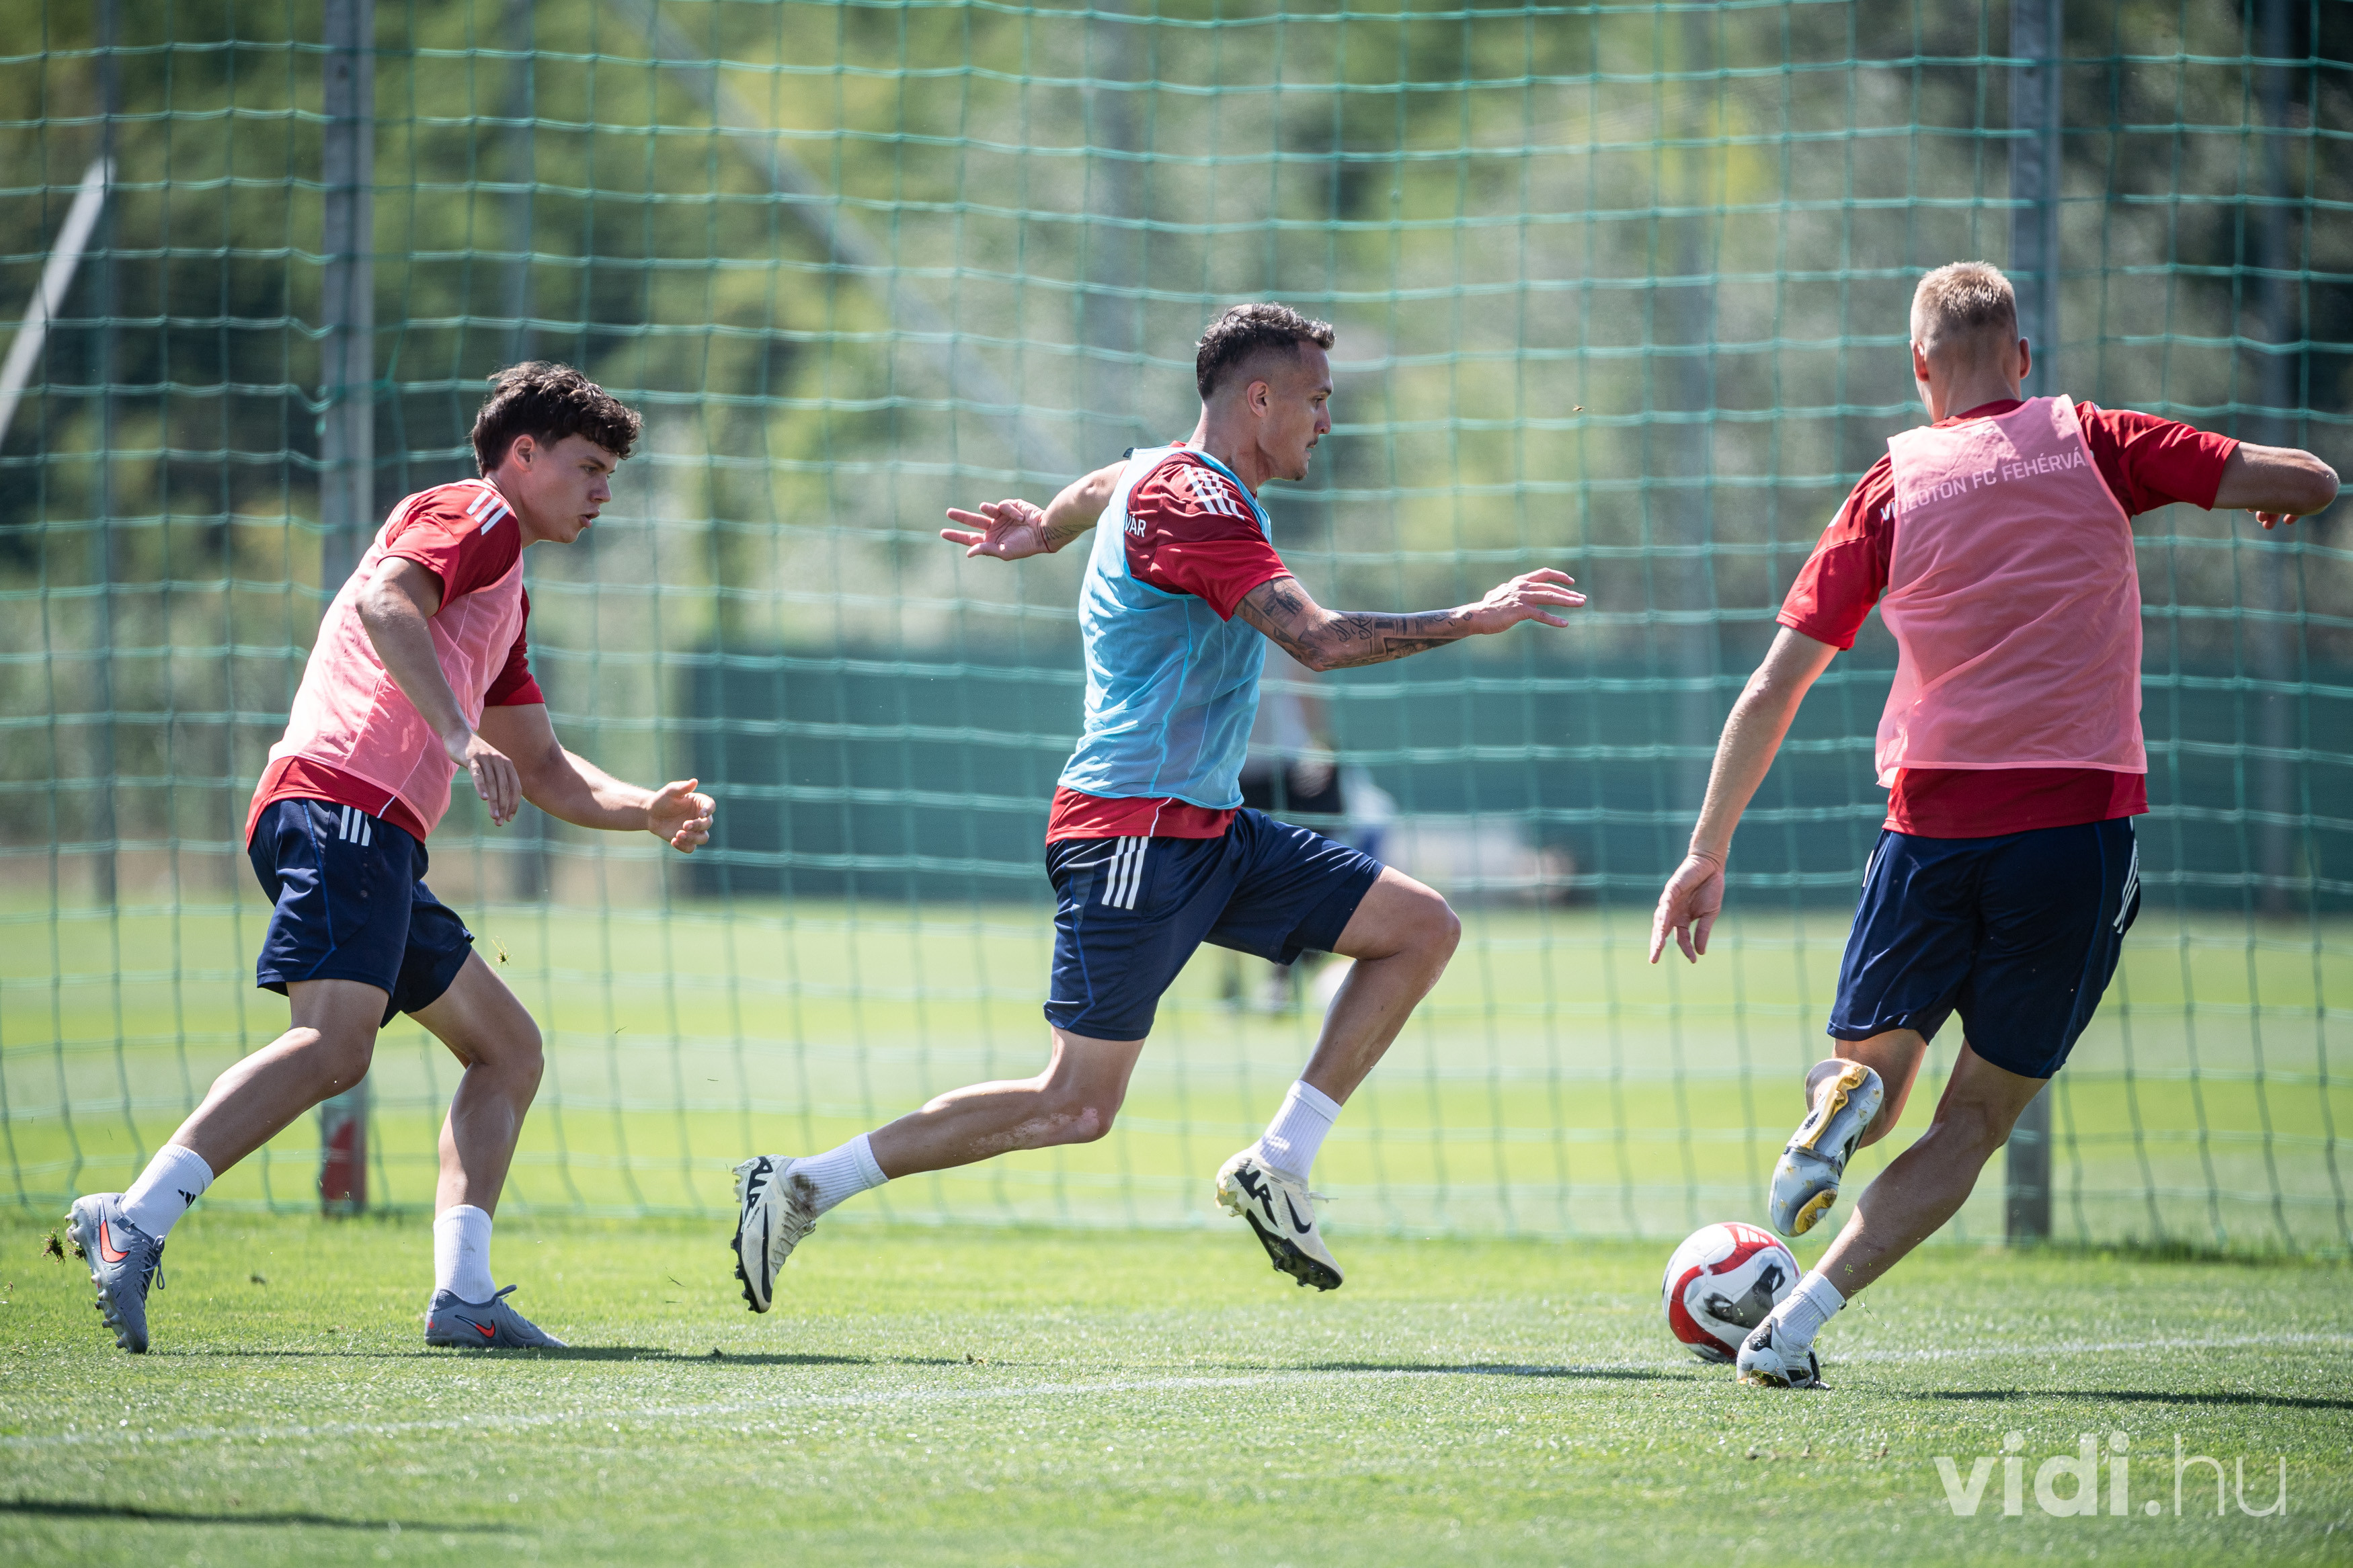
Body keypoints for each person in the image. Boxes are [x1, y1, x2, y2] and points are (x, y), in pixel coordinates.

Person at [727, 302, 1583, 1307]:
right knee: (1075, 1105)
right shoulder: (1195, 505)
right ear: (1257, 400)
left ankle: (1279, 1161)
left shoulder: (1160, 473)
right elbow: (1318, 641)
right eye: (1316, 399)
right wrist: (1472, 618)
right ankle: (802, 1185)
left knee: (1421, 928)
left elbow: (1101, 484)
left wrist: (1045, 528)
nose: (1327, 420)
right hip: (1131, 830)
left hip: (1207, 827)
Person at [1648, 261, 2338, 1389]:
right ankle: (1794, 1327)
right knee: (1972, 1120)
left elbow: (1775, 684)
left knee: (1875, 1083)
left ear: (1919, 366)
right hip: (2076, 830)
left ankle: (1839, 1100)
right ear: (2022, 359)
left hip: (1928, 829)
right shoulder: (2097, 440)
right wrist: (2281, 493)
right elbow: (2309, 477)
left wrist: (1705, 849)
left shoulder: (1891, 485)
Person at [67, 364, 717, 1354]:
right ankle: (135, 1218)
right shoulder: (478, 514)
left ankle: (464, 1296)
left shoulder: (505, 592)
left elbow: (543, 764)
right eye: (588, 468)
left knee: (508, 1049)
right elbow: (384, 602)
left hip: (375, 832)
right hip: (342, 804)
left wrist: (645, 810)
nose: (603, 493)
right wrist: (459, 737)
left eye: (610, 476)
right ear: (523, 455)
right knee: (335, 1047)